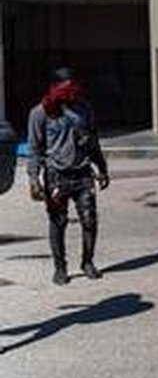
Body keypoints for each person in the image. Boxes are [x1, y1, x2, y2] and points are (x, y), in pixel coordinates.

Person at [27, 67, 109, 285]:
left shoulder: (84, 108)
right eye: (66, 87)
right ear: (54, 87)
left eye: (74, 86)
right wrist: (34, 179)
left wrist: (102, 167)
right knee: (58, 222)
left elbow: (93, 140)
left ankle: (87, 262)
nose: (71, 92)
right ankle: (60, 267)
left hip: (82, 173)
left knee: (89, 220)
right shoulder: (40, 113)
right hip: (56, 176)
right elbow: (34, 149)